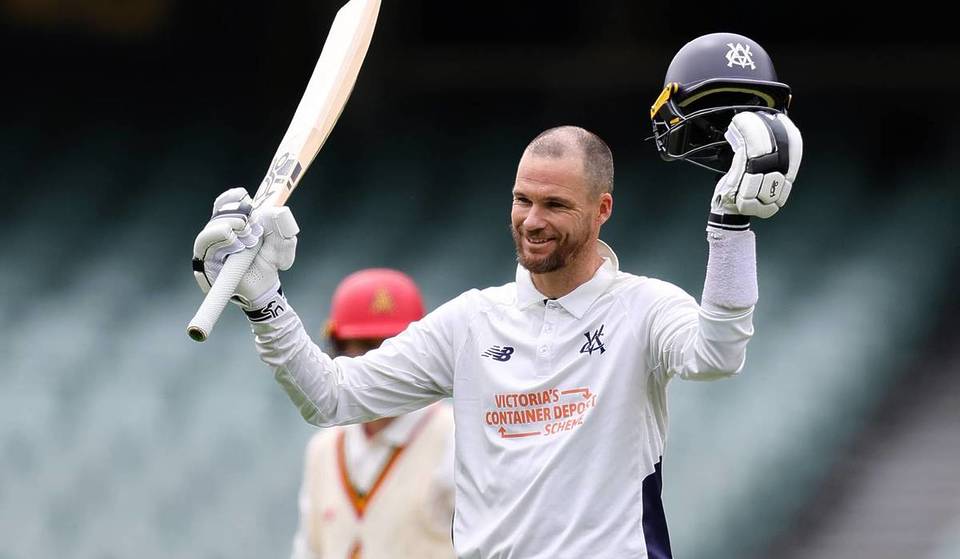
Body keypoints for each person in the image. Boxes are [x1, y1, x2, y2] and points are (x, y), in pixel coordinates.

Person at [191, 34, 802, 559]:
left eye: (556, 205)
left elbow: (719, 354)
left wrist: (729, 230)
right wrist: (264, 301)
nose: (532, 220)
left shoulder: (644, 307)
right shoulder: (471, 323)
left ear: (602, 210)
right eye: (522, 200)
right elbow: (332, 396)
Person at [288, 268, 456, 559]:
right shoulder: (324, 448)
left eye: (393, 344)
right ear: (338, 350)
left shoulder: (458, 434)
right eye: (366, 345)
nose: (382, 359)